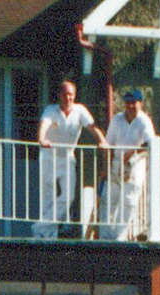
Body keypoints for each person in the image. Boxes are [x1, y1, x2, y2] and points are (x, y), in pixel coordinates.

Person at [35, 78, 105, 239]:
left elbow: (92, 127)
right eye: (65, 94)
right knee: (48, 198)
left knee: (68, 197)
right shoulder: (51, 110)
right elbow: (44, 125)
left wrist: (102, 140)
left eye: (71, 95)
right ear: (59, 95)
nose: (68, 98)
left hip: (67, 158)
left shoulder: (80, 110)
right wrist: (42, 139)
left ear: (75, 95)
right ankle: (48, 234)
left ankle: (40, 227)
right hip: (48, 157)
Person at [100, 89, 154, 241]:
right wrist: (106, 168)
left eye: (133, 103)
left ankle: (120, 236)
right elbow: (108, 145)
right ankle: (105, 235)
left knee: (128, 201)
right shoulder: (117, 119)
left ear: (140, 104)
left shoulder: (144, 121)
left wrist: (131, 153)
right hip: (116, 162)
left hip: (135, 163)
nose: (130, 106)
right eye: (127, 103)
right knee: (107, 200)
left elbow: (149, 142)